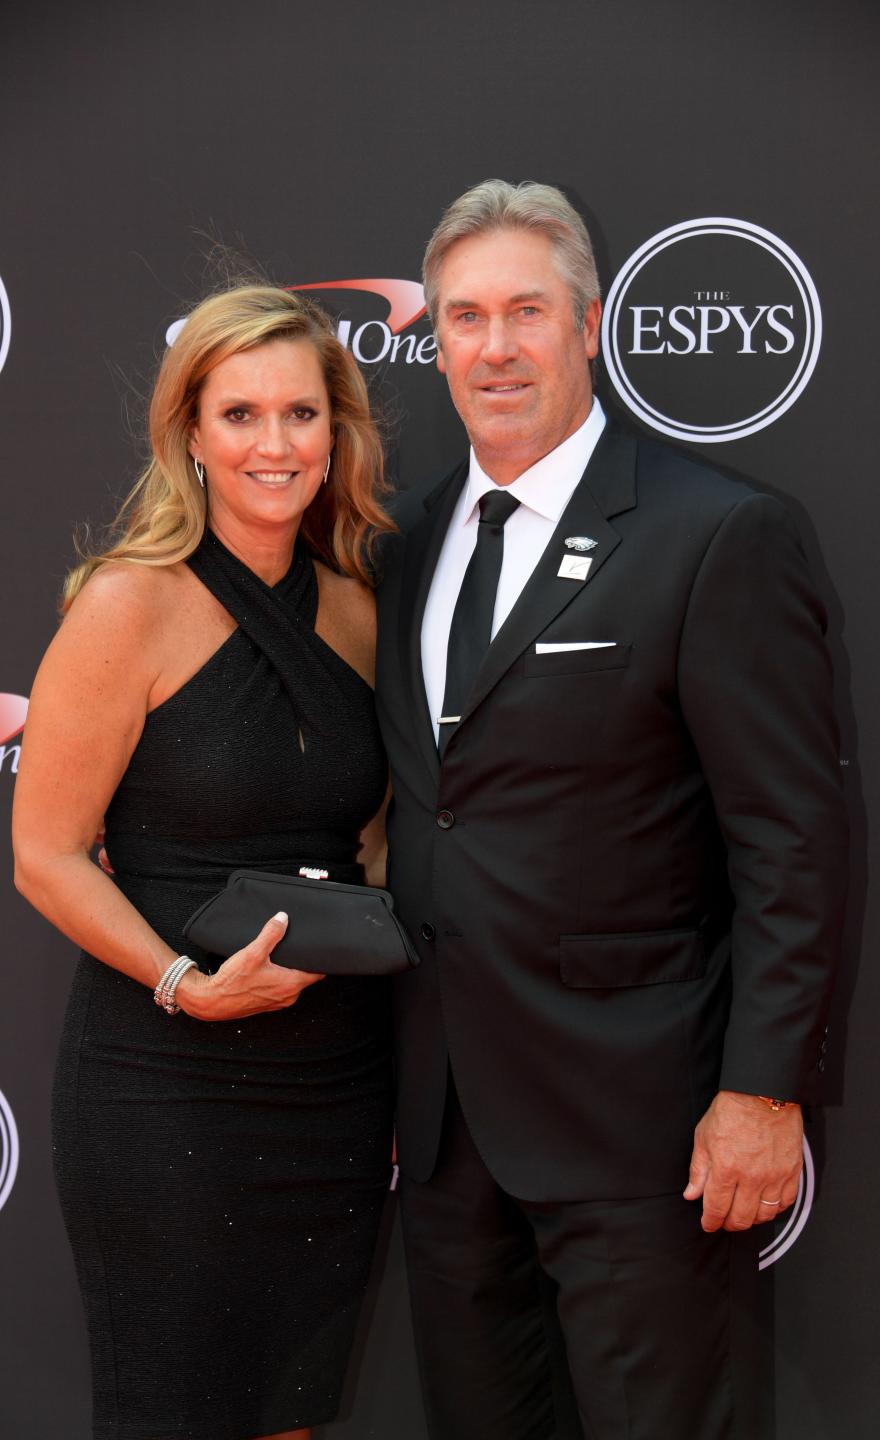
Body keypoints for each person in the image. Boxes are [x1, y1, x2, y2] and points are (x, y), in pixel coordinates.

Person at [374, 180, 848, 1439]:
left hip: (643, 1129)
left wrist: (764, 1092)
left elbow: (793, 839)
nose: (495, 348)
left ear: (589, 328)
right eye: (465, 318)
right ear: (435, 343)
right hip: (443, 1125)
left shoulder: (716, 534)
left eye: (527, 311)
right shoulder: (404, 537)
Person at [12, 285, 396, 1440]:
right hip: (164, 1081)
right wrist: (186, 983)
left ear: (337, 433)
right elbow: (45, 852)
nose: (273, 446)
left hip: (330, 1085)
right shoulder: (127, 605)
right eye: (240, 416)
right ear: (190, 434)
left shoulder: (359, 612)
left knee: (294, 1419)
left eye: (299, 415)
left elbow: (370, 834)